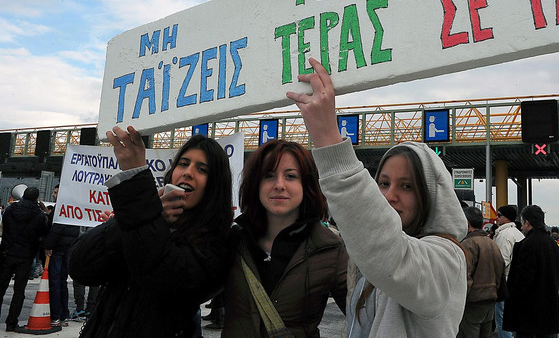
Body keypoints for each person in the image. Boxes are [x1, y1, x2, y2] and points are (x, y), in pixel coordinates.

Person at [286, 57, 468, 337]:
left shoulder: (446, 260)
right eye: (382, 183)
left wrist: (328, 139)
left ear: (430, 196)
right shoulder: (368, 262)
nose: (389, 196)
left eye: (406, 186)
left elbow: (390, 254)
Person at [69, 126, 234, 338]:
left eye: (202, 169)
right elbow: (80, 266)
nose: (188, 172)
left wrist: (140, 196)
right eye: (183, 164)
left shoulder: (218, 242)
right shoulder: (144, 215)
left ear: (215, 186)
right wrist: (139, 215)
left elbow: (159, 276)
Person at [221, 139, 348, 337]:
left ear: (306, 185)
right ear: (256, 183)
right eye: (269, 175)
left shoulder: (329, 248)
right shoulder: (232, 241)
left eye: (290, 176)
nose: (279, 185)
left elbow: (365, 316)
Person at [503, 205, 559, 338]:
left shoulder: (526, 245)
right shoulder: (553, 245)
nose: (521, 227)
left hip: (529, 312)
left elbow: (522, 280)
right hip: (549, 308)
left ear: (527, 223)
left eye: (522, 223)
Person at [0, 187, 48, 331]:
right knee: (19, 291)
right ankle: (11, 323)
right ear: (36, 198)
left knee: (1, 287)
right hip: (25, 255)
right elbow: (42, 233)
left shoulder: (10, 210)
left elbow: (5, 228)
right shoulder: (39, 215)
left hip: (7, 253)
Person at [457, 206, 505, 338]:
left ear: (466, 222)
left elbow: (464, 276)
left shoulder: (468, 244)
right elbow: (500, 269)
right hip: (490, 299)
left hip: (473, 301)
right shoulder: (492, 243)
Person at [44, 184, 80, 327]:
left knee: (55, 281)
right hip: (67, 248)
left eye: (56, 192)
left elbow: (56, 229)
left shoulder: (61, 209)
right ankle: (63, 315)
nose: (53, 195)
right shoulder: (73, 209)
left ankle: (56, 316)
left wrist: (48, 245)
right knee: (62, 282)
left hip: (57, 249)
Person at [493, 204, 524, 338]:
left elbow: (502, 261)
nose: (497, 218)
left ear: (505, 218)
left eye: (499, 215)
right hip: (517, 281)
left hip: (504, 282)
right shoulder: (519, 233)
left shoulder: (504, 235)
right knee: (515, 317)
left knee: (502, 317)